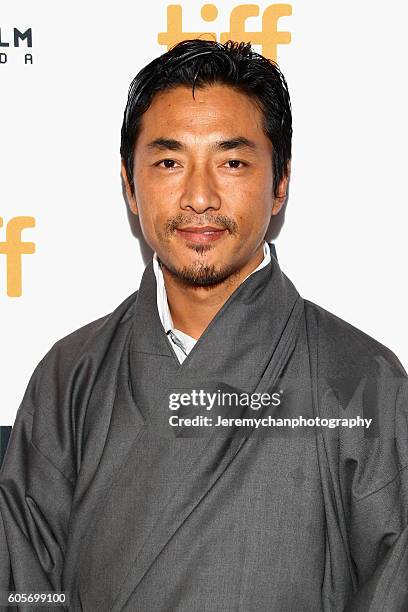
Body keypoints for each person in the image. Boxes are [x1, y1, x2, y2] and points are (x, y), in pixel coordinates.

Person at [1, 39, 407, 612]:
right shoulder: (70, 375)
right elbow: (25, 582)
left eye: (232, 161)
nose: (199, 196)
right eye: (169, 162)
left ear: (281, 182)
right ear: (128, 184)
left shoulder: (362, 379)